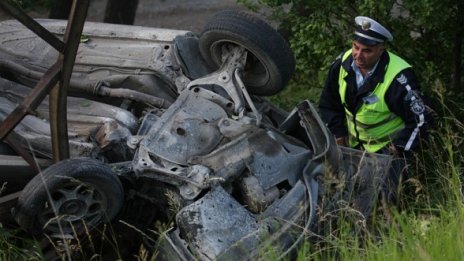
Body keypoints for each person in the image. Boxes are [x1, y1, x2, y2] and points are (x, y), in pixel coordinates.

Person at [318, 16, 432, 201]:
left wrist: (397, 152)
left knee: (382, 201)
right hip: (352, 145)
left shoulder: (399, 78)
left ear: (381, 49)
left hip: (388, 149)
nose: (358, 55)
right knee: (333, 188)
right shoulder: (343, 62)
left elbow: (421, 121)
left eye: (367, 50)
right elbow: (329, 103)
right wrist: (339, 136)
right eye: (355, 47)